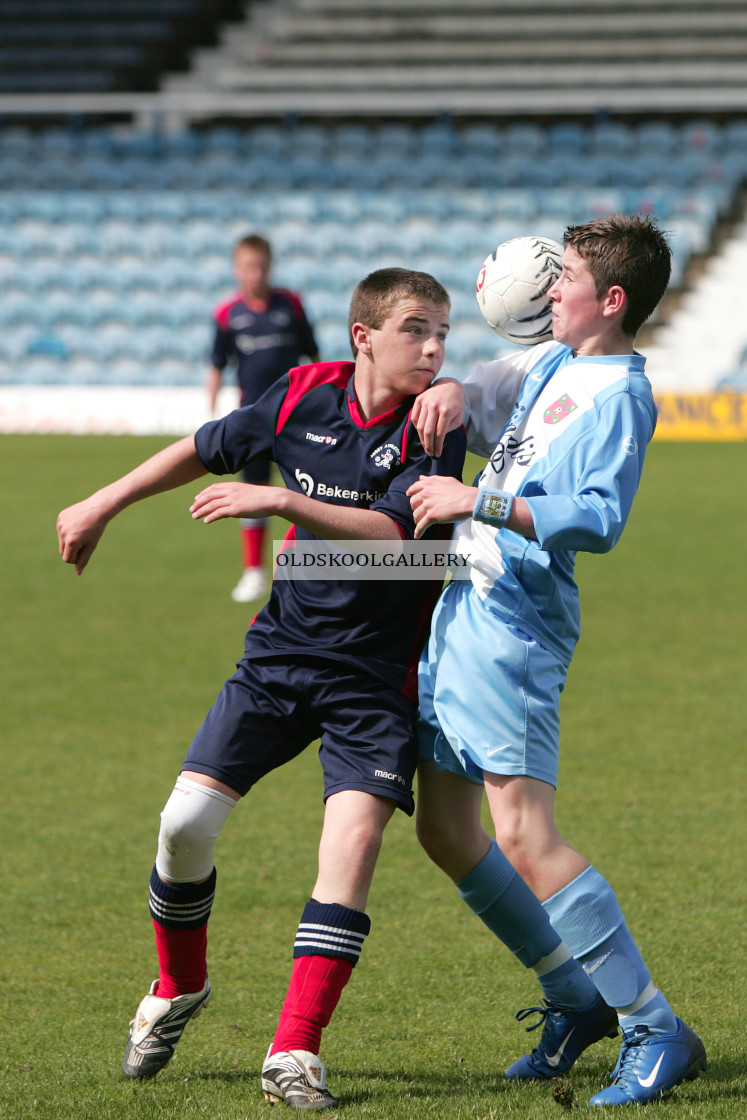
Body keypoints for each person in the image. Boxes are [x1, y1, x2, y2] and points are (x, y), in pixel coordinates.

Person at [57, 268, 466, 1110]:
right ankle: (178, 987)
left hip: (376, 677)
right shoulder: (299, 395)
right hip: (279, 658)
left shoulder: (432, 429)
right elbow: (202, 448)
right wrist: (105, 501)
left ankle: (294, 1052)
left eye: (442, 337)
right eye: (416, 331)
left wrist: (278, 496)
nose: (432, 350)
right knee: (183, 825)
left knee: (350, 852)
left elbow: (394, 540)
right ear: (364, 336)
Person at [407, 216, 706, 1107]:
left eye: (565, 275)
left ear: (610, 301)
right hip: (462, 607)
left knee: (523, 836)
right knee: (444, 829)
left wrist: (478, 500)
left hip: (515, 627)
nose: (549, 289)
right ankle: (574, 997)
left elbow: (595, 518)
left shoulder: (617, 394)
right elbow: (488, 415)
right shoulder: (556, 365)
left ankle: (655, 1027)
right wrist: (455, 387)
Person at [206, 233, 320, 604]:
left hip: (297, 417)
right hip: (252, 421)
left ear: (269, 267)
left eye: (260, 266)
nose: (254, 273)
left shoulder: (292, 305)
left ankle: (314, 567)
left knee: (313, 492)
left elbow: (314, 358)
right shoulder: (228, 314)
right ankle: (253, 572)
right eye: (247, 267)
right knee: (252, 494)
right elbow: (217, 363)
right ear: (236, 270)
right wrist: (209, 408)